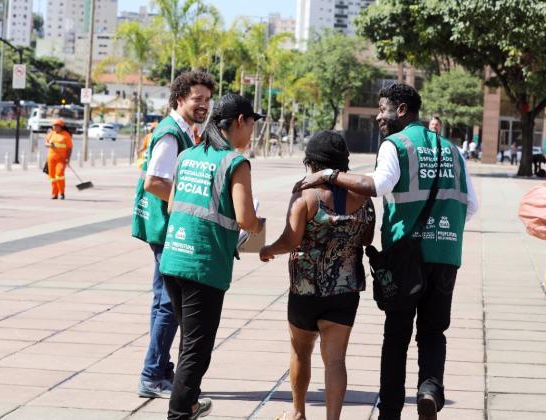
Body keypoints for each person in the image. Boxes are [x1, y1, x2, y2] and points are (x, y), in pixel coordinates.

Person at [296, 83, 478, 420]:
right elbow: (471, 207)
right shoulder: (453, 151)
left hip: (405, 257)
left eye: (383, 109)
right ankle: (429, 390)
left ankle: (390, 412)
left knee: (396, 336)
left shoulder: (396, 145)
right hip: (447, 256)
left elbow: (376, 186)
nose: (379, 116)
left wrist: (330, 175)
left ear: (402, 110)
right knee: (433, 332)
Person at [158, 93, 265, 420]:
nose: (252, 134)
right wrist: (259, 223)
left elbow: (172, 204)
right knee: (196, 349)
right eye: (252, 125)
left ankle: (189, 403)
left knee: (189, 342)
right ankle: (179, 413)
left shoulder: (187, 156)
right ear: (239, 122)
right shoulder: (234, 162)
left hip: (174, 259)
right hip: (203, 266)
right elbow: (246, 219)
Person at [259, 131, 375, 420]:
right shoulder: (362, 197)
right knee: (335, 360)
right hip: (345, 291)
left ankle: (298, 412)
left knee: (301, 352)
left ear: (311, 163)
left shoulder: (306, 195)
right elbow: (366, 238)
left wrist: (267, 249)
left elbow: (290, 239)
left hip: (305, 290)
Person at [131, 71, 215, 400]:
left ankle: (159, 368)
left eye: (207, 100)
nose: (203, 105)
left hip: (166, 227)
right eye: (197, 99)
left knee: (162, 302)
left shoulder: (182, 130)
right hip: (167, 228)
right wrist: (189, 202)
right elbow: (154, 181)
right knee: (169, 304)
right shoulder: (170, 133)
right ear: (180, 98)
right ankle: (152, 374)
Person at [44, 119, 73, 199]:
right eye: (54, 125)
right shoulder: (50, 134)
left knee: (59, 174)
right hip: (51, 158)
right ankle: (54, 194)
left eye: (57, 126)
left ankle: (62, 192)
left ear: (61, 127)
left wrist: (68, 159)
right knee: (52, 177)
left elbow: (70, 148)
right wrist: (50, 145)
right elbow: (46, 143)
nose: (55, 127)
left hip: (61, 159)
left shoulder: (66, 135)